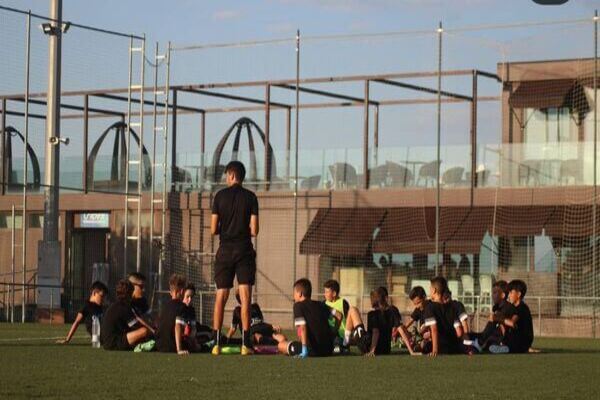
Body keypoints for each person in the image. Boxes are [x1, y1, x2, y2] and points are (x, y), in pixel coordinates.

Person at [210, 161, 259, 356]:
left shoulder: (219, 196)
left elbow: (214, 229)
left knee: (221, 296)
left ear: (230, 175)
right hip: (244, 250)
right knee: (246, 298)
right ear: (242, 176)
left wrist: (227, 230)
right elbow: (255, 230)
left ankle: (216, 343)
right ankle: (246, 345)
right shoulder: (251, 197)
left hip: (225, 250)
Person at [292, 278, 342, 358]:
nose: (293, 296)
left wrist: (304, 349)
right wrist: (333, 332)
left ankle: (304, 349)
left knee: (281, 345)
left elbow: (303, 327)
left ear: (300, 294)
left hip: (312, 350)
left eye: (294, 293)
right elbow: (339, 315)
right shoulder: (321, 305)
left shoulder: (298, 306)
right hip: (328, 350)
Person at [464, 280, 516, 352]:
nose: (492, 295)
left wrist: (495, 318)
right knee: (470, 336)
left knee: (484, 341)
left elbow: (505, 325)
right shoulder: (495, 307)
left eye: (495, 293)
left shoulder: (507, 307)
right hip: (494, 335)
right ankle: (486, 345)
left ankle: (481, 343)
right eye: (492, 293)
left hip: (503, 338)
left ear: (503, 295)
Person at [100, 279, 149, 351]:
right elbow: (136, 326)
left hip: (107, 343)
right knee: (143, 331)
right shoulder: (124, 307)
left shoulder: (115, 306)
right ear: (131, 293)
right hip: (114, 343)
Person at [323, 279, 367, 352]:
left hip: (343, 335)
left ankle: (346, 344)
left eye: (327, 292)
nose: (324, 294)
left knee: (337, 344)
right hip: (332, 335)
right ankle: (341, 347)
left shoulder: (343, 303)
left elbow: (349, 319)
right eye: (324, 292)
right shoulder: (324, 303)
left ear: (334, 293)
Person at [422, 277, 462, 356]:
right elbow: (459, 332)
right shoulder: (452, 307)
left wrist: (435, 350)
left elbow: (434, 329)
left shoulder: (430, 307)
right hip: (454, 348)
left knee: (424, 345)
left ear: (434, 290)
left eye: (430, 288)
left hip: (441, 348)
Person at [157, 274, 189, 355]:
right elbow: (177, 326)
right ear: (182, 291)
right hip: (172, 347)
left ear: (171, 292)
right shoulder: (182, 307)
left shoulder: (164, 306)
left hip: (160, 346)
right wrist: (179, 349)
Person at [500, 279, 534, 354]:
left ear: (518, 294)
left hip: (521, 344)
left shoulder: (521, 308)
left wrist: (498, 318)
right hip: (521, 343)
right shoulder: (514, 307)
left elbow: (512, 323)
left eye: (511, 292)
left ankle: (503, 346)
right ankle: (502, 344)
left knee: (490, 347)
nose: (508, 295)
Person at [397, 285, 429, 355]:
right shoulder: (418, 309)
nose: (417, 306)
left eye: (418, 303)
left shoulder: (431, 307)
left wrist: (422, 331)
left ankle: (415, 345)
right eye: (415, 304)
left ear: (424, 297)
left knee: (424, 342)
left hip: (429, 336)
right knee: (402, 328)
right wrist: (399, 332)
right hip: (420, 336)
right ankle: (413, 343)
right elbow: (407, 324)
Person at [365, 287, 395, 356]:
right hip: (386, 349)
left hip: (375, 349)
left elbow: (376, 331)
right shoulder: (390, 313)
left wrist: (372, 350)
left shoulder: (372, 314)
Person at [182, 283, 200, 352]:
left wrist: (192, 339)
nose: (190, 299)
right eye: (187, 296)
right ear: (182, 294)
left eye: (191, 297)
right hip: (182, 336)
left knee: (210, 333)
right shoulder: (178, 308)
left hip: (191, 334)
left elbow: (193, 328)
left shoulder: (192, 309)